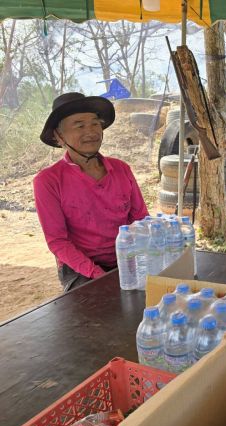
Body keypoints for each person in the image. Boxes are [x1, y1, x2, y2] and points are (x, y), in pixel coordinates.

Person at [34, 92, 148, 291]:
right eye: (79, 125)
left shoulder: (121, 169)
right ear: (59, 136)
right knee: (99, 305)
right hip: (80, 268)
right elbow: (58, 241)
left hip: (126, 256)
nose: (91, 131)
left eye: (95, 123)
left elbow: (140, 219)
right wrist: (98, 275)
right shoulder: (48, 181)